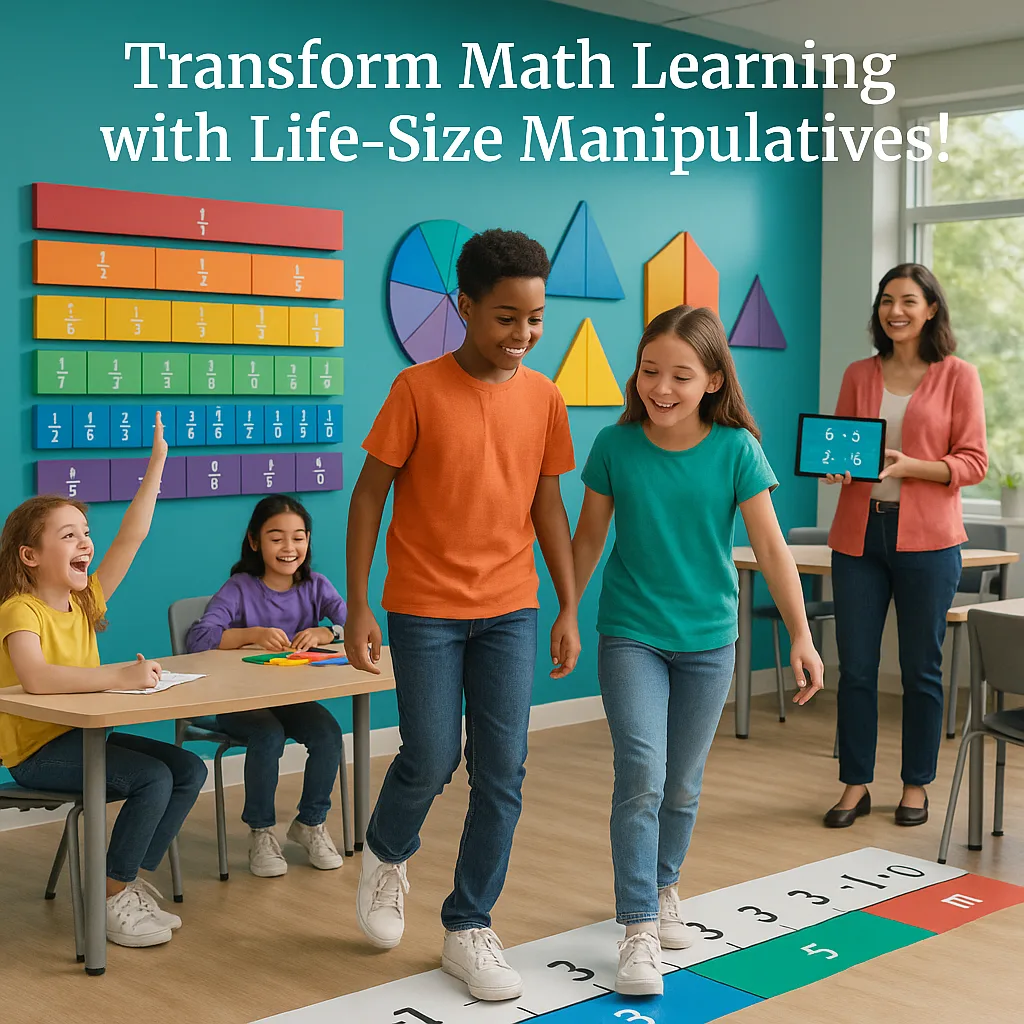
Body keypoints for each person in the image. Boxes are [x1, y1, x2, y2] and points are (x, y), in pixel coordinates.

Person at [344, 229, 579, 1002]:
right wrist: (357, 603)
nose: (523, 335)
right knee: (432, 755)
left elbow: (548, 503)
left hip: (511, 607)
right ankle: (385, 851)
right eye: (507, 317)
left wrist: (569, 602)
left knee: (503, 774)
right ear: (465, 308)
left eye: (535, 319)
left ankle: (468, 925)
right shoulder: (416, 389)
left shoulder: (545, 398)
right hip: (424, 608)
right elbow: (370, 495)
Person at [571, 306, 824, 996]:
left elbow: (772, 548)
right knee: (643, 774)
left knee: (682, 783)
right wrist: (567, 609)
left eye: (681, 375)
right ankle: (638, 929)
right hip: (631, 632)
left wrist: (801, 635)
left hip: (711, 637)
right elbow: (588, 539)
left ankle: (665, 883)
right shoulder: (614, 447)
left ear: (712, 379)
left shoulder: (736, 450)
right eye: (650, 371)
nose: (661, 387)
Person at [0, 414, 207, 948]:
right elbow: (37, 679)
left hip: (85, 738)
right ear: (30, 555)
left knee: (185, 767)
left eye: (86, 534)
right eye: (68, 535)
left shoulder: (84, 600)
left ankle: (126, 874)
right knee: (152, 779)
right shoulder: (18, 611)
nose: (85, 543)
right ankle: (110, 894)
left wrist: (158, 460)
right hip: (37, 754)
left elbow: (132, 535)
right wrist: (122, 675)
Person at [824, 264, 987, 829]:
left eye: (908, 301)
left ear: (931, 309)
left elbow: (974, 462)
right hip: (857, 534)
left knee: (921, 668)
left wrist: (913, 466)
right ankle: (855, 785)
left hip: (929, 541)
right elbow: (844, 447)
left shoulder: (958, 376)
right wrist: (835, 470)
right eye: (887, 300)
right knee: (857, 669)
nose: (895, 310)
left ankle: (915, 784)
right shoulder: (858, 374)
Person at [186, 495, 347, 876]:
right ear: (255, 541)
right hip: (238, 703)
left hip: (291, 699)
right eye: (276, 538)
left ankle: (310, 823)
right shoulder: (240, 587)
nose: (289, 548)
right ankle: (260, 832)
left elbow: (355, 624)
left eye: (298, 537)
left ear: (308, 541)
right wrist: (250, 634)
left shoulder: (316, 586)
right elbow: (199, 638)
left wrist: (327, 633)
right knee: (268, 736)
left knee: (328, 734)